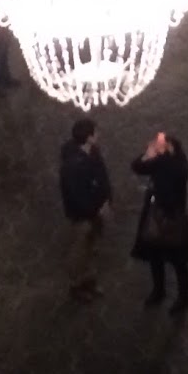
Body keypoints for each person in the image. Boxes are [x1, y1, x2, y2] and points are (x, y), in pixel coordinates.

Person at [131, 130, 188, 311]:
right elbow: (137, 166)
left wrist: (151, 154)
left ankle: (179, 297)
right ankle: (162, 292)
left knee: (176, 260)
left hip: (170, 217)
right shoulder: (168, 162)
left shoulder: (173, 165)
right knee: (158, 257)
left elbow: (139, 167)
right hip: (159, 215)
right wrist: (150, 154)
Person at [60, 118, 113, 300]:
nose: (99, 133)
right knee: (80, 250)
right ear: (89, 137)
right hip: (83, 216)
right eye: (95, 132)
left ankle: (89, 279)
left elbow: (103, 176)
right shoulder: (72, 166)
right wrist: (95, 211)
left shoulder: (93, 151)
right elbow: (77, 196)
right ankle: (76, 285)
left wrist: (107, 200)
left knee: (92, 247)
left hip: (97, 211)